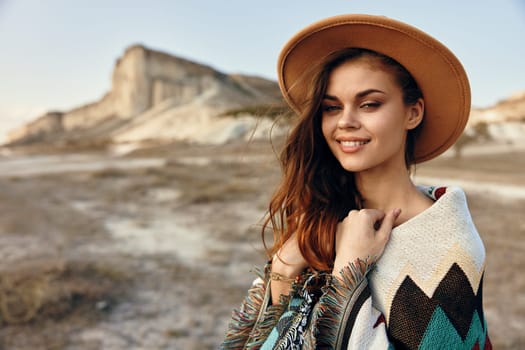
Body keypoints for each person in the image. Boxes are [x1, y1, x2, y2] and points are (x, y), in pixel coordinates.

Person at [221, 14, 491, 349]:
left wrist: (349, 271)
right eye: (331, 108)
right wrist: (285, 267)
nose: (345, 122)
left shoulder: (447, 246)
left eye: (369, 104)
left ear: (413, 113)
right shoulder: (319, 214)